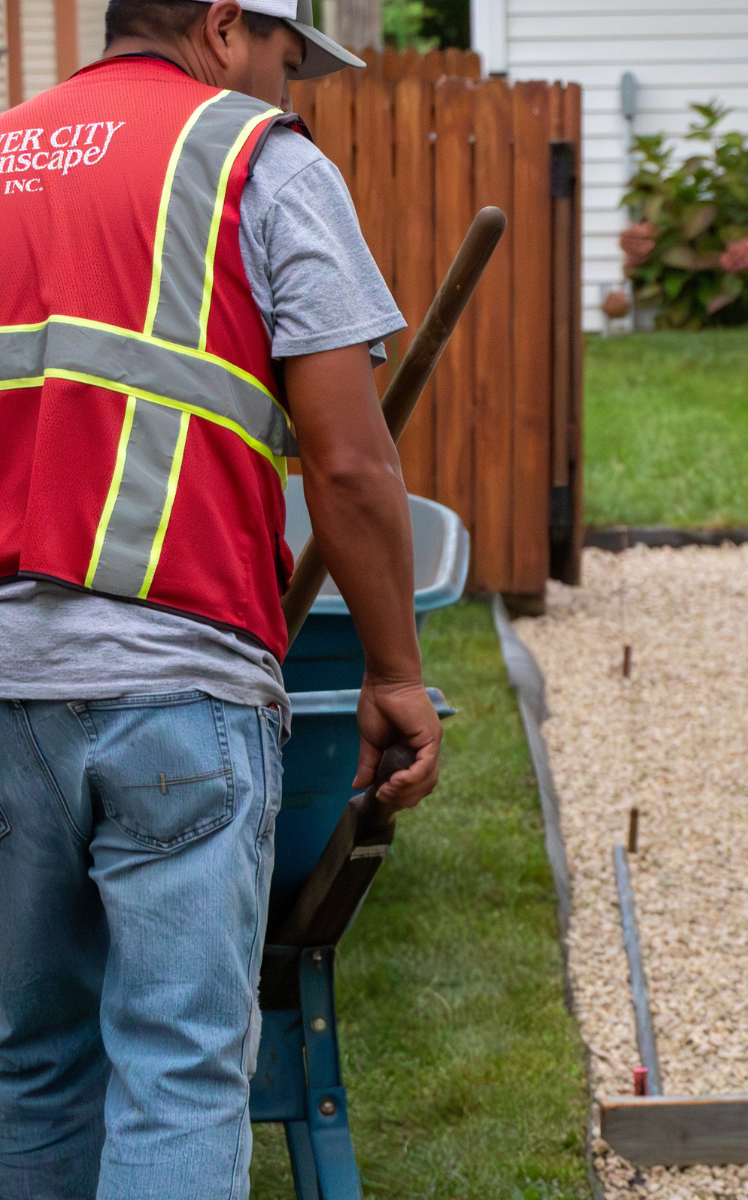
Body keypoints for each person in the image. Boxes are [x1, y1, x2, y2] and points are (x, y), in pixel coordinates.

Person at [0, 0, 442, 1194]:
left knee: (27, 1067)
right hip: (178, 681)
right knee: (183, 1069)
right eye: (285, 57)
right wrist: (395, 672)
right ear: (220, 25)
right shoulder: (258, 159)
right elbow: (347, 463)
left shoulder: (2, 156)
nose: (286, 89)